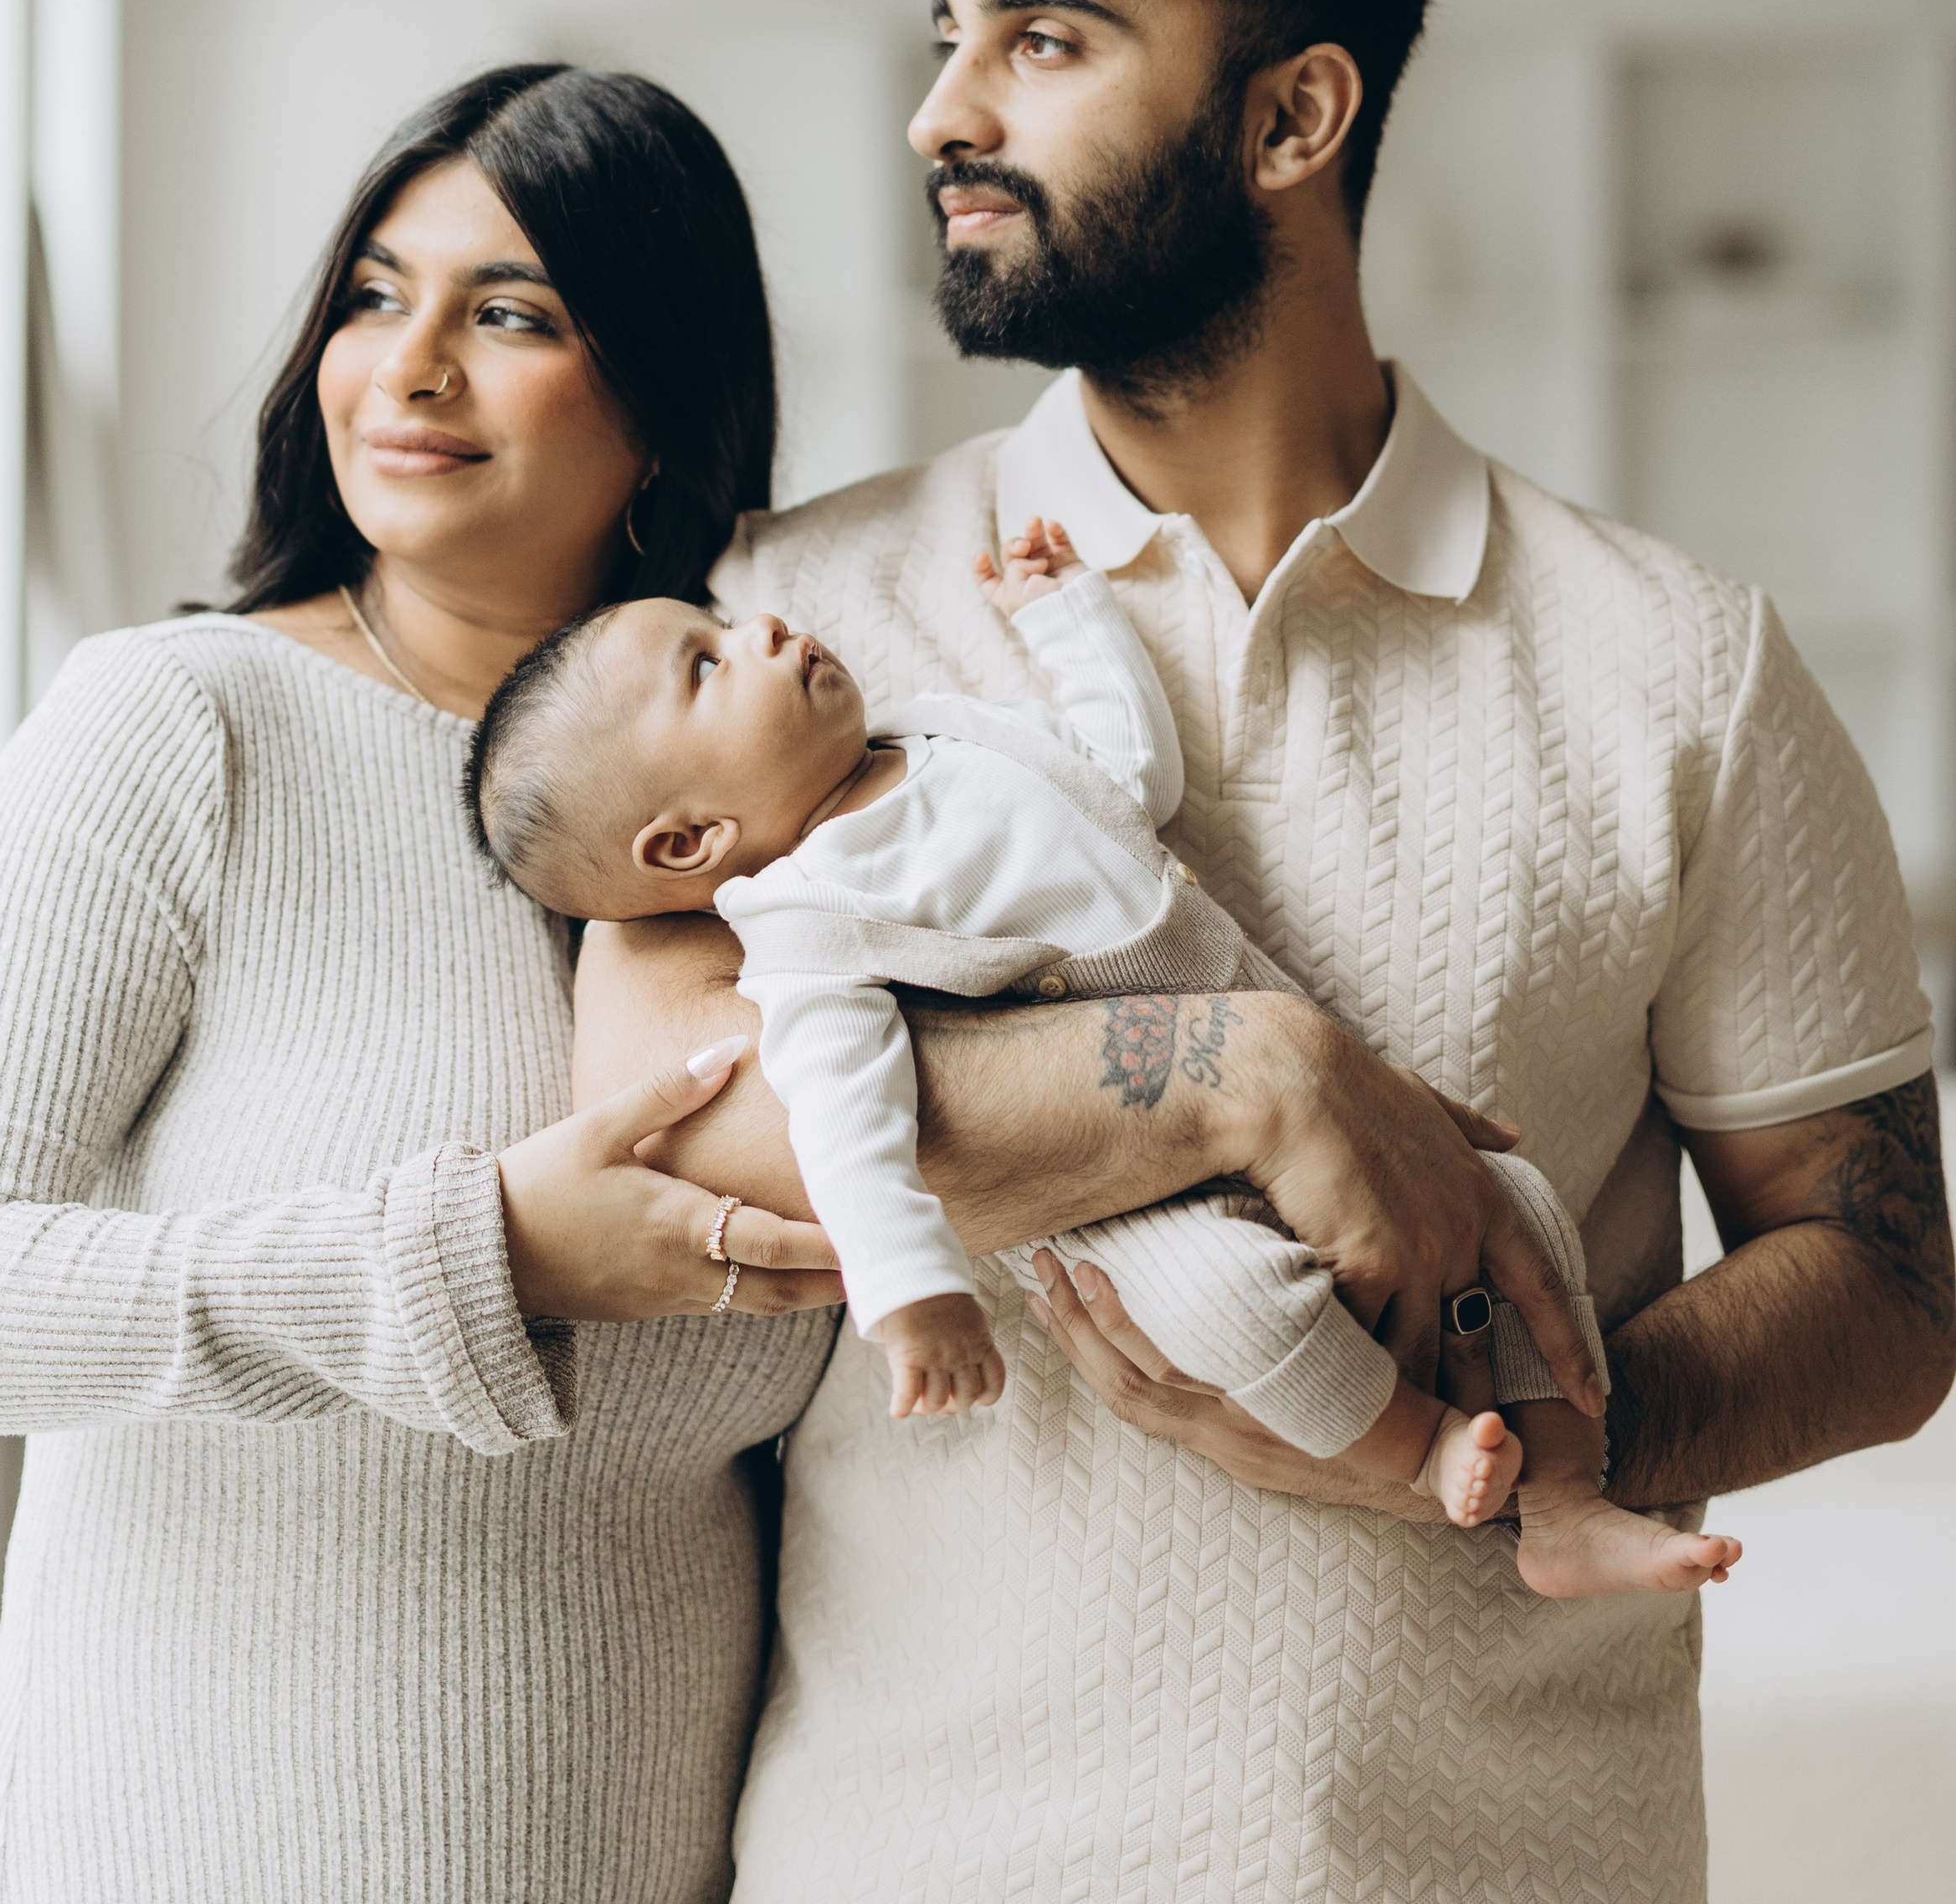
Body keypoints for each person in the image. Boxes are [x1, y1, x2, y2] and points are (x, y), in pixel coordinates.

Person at [0, 57, 1585, 1904]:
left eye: (510, 314)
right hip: (198, 1839)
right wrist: (493, 1253)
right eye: (372, 294)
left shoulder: (798, 805)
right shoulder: (176, 727)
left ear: (661, 404)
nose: (407, 366)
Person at [579, 0, 1955, 1904]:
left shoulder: (1682, 667)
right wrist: (1249, 1073)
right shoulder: (778, 624)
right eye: (947, 36)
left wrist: (1476, 1449)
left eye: (1042, 41)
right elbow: (668, 1116)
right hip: (918, 1861)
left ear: (1293, 117)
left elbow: (1878, 1279)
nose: (941, 115)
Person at [478, 509, 1726, 1600]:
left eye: (725, 623)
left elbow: (1128, 776)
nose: (760, 629)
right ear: (687, 844)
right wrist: (912, 1292)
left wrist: (1071, 619)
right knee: (1237, 1309)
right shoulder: (810, 920)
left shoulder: (936, 735)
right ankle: (1419, 1453)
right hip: (1138, 1198)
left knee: (1516, 1204)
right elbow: (845, 1117)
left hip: (1277, 1033)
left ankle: (1567, 1505)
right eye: (708, 663)